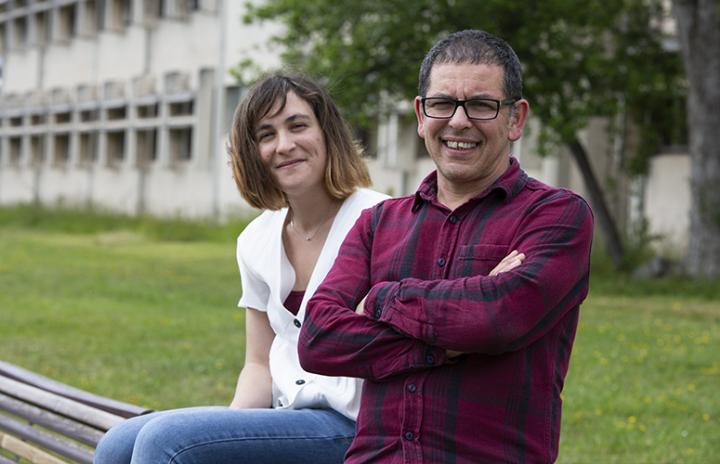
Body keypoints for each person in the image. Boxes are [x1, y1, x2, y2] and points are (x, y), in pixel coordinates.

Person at [298, 29, 594, 463]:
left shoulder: (556, 216)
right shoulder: (378, 223)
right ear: (421, 115)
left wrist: (382, 297)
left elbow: (498, 317)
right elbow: (319, 339)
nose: (458, 121)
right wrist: (446, 338)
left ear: (515, 119)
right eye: (442, 104)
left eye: (480, 105)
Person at [93, 73, 389, 463]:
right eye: (266, 135)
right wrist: (225, 435)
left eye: (297, 126)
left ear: (326, 133)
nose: (284, 145)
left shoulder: (381, 220)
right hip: (288, 419)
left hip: (355, 428)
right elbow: (258, 363)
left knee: (166, 442)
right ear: (254, 152)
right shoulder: (256, 240)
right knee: (118, 443)